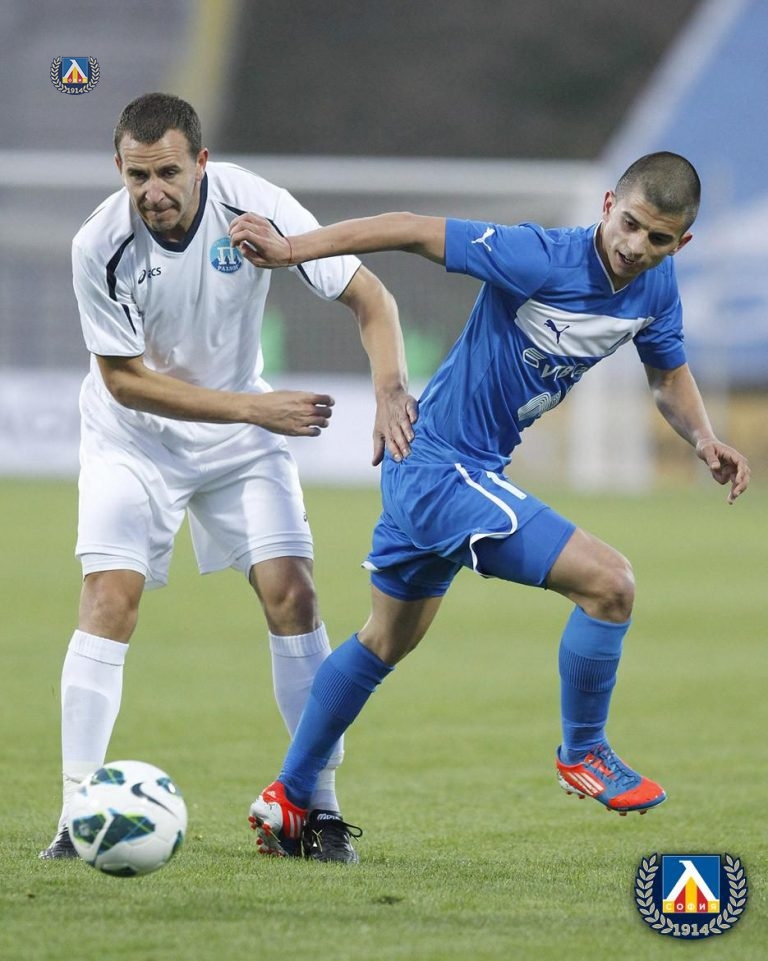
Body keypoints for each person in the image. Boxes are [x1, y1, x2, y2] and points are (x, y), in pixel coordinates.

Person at [226, 152, 751, 856]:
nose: (636, 246)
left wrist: (704, 438)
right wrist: (293, 250)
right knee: (611, 584)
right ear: (607, 205)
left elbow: (667, 375)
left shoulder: (655, 288)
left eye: (657, 238)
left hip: (440, 470)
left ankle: (288, 794)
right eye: (629, 224)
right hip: (444, 468)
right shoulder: (539, 256)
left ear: (679, 243)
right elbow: (410, 227)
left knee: (384, 641)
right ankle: (584, 752)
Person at [39, 92, 417, 865]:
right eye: (137, 176)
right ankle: (78, 815)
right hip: (133, 440)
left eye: (168, 173)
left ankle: (315, 809)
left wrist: (389, 390)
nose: (153, 192)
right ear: (119, 168)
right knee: (110, 597)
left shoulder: (256, 205)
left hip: (240, 439)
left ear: (202, 163)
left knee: (294, 593)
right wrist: (253, 407)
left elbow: (370, 296)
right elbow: (125, 382)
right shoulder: (98, 244)